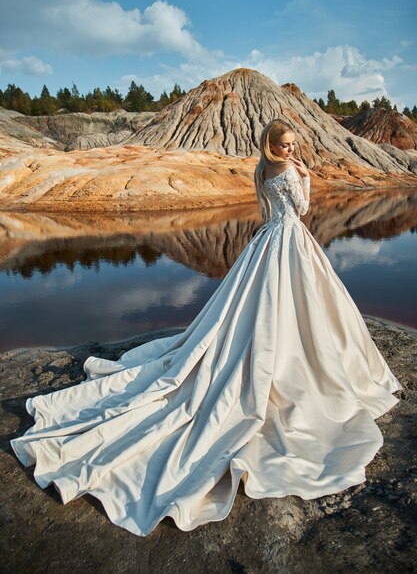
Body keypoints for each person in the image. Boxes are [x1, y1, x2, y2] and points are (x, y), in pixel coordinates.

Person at [11, 118, 401, 537]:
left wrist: (292, 178)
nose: (290, 150)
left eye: (293, 145)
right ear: (273, 145)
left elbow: (270, 211)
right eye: (285, 145)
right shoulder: (288, 171)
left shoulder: (261, 169)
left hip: (268, 240)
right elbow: (302, 210)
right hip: (288, 241)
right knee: (290, 304)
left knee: (258, 306)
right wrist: (306, 177)